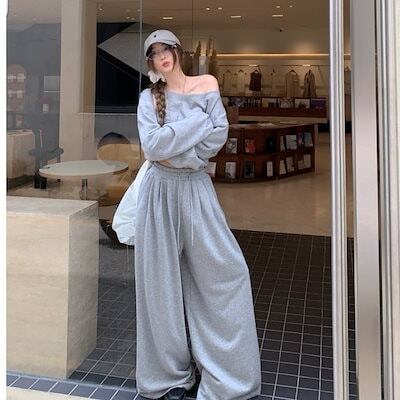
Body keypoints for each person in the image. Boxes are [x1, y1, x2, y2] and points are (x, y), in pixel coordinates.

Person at [134, 29, 262, 400]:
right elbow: (152, 147)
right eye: (154, 52)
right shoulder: (148, 98)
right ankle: (168, 378)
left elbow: (218, 136)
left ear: (178, 51)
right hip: (159, 193)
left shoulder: (207, 83)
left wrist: (179, 149)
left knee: (227, 272)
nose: (162, 56)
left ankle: (228, 376)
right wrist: (198, 125)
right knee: (160, 286)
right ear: (151, 62)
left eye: (166, 49)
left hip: (196, 189)